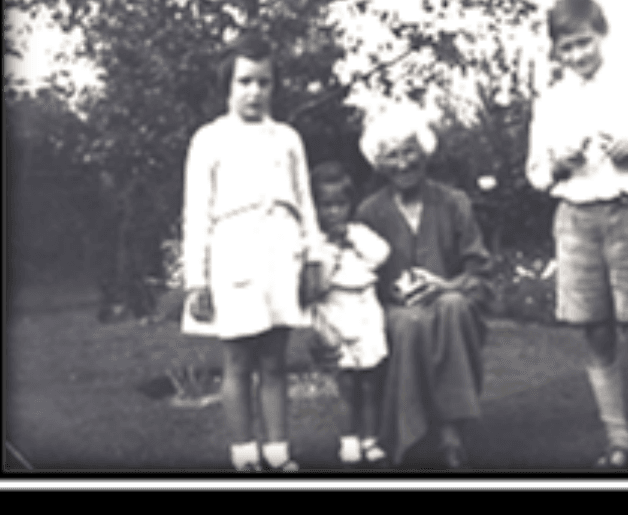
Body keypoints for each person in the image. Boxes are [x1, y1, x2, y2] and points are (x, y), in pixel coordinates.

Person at [525, 0, 628, 472]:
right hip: (575, 222)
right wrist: (559, 164)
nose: (577, 55)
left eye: (584, 42)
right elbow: (535, 174)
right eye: (567, 47)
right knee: (595, 333)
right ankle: (618, 442)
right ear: (556, 51)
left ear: (602, 34)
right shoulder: (550, 101)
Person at [181, 33, 323, 472]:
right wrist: (196, 279)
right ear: (228, 87)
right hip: (234, 253)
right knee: (239, 361)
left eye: (264, 82)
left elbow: (305, 201)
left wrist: (313, 255)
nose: (255, 92)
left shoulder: (288, 138)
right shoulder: (209, 139)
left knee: (275, 360)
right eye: (245, 82)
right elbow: (196, 212)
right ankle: (244, 454)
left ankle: (278, 452)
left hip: (281, 253)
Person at [355, 103, 492, 469]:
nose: (403, 163)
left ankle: (450, 432)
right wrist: (393, 296)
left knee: (452, 307)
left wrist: (446, 286)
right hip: (394, 311)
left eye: (409, 151)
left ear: (424, 152)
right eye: (392, 155)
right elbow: (360, 279)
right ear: (380, 163)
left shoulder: (454, 203)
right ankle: (410, 432)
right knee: (411, 322)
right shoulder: (369, 212)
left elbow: (480, 273)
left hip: (452, 300)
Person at [307, 161, 391, 467]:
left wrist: (353, 239)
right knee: (347, 385)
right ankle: (349, 440)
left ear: (349, 205)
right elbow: (319, 284)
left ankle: (371, 439)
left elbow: (381, 255)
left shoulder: (360, 233)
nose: (333, 212)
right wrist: (332, 249)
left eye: (340, 204)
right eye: (326, 206)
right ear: (314, 208)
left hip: (367, 313)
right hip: (337, 315)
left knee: (370, 383)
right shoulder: (316, 244)